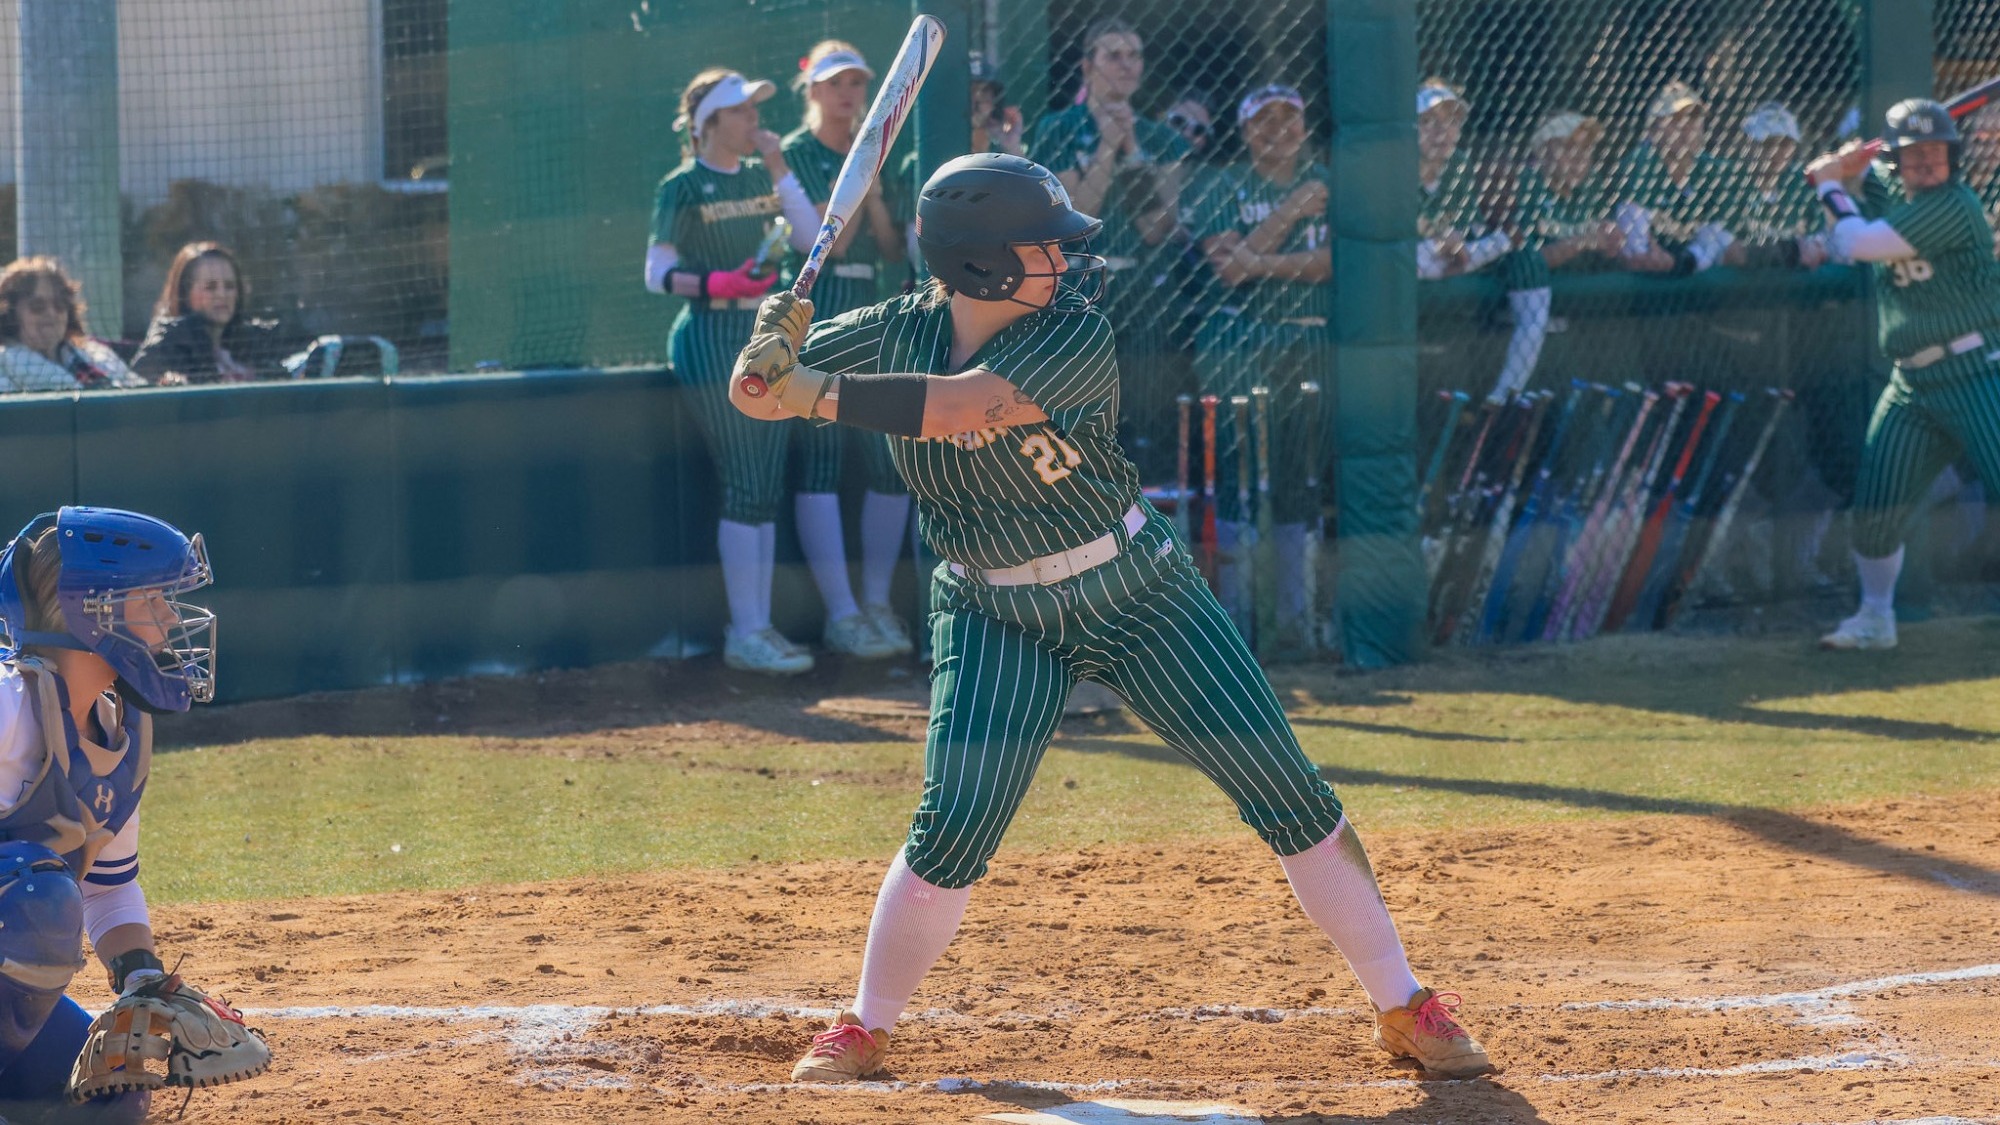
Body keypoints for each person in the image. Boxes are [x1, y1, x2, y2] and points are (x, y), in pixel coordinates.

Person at [727, 152, 1492, 1084]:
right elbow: (755, 397)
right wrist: (771, 343)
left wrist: (802, 385)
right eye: (1042, 243)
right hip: (992, 606)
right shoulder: (896, 330)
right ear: (980, 263)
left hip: (1136, 593)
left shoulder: (1075, 335)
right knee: (955, 821)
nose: (1064, 257)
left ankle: (1403, 1001)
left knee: (1284, 786)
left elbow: (965, 406)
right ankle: (866, 1024)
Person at [0, 506, 267, 1119]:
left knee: (111, 1103)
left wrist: (141, 976)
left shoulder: (119, 737)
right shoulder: (10, 705)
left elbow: (109, 891)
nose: (173, 618)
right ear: (91, 612)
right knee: (34, 896)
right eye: (153, 599)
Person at [643, 67, 821, 674]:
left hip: (764, 335)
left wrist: (778, 166)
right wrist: (718, 281)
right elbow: (656, 273)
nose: (754, 121)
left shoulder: (760, 175)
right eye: (741, 112)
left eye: (754, 111)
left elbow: (809, 237)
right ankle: (747, 632)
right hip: (712, 335)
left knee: (763, 482)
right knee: (746, 479)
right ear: (709, 123)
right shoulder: (683, 186)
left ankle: (757, 629)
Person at [1806, 99, 2000, 650]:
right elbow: (1855, 216)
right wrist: (1850, 171)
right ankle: (1874, 619)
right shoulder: (1897, 191)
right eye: (1914, 154)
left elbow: (1858, 242)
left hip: (1976, 370)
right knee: (1876, 509)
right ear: (1895, 159)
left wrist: (1827, 184)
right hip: (1913, 385)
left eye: (1937, 152)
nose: (1926, 163)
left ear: (1953, 158)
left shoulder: (1954, 205)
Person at [1186, 83, 1332, 652]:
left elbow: (1331, 262)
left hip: (1310, 342)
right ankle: (1237, 619)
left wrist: (1258, 260)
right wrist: (1292, 208)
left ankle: (1294, 621)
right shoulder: (1222, 184)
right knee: (1237, 476)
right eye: (1264, 120)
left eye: (1289, 117)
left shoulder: (1328, 179)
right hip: (1240, 346)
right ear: (1245, 130)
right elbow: (1227, 269)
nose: (1279, 130)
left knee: (1299, 479)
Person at [781, 41, 911, 660]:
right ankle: (841, 614)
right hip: (813, 312)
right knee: (822, 461)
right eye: (835, 84)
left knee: (889, 461)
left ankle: (879, 602)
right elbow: (828, 245)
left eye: (857, 83)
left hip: (871, 317)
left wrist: (876, 189)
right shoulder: (797, 154)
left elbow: (888, 249)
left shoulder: (880, 155)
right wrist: (855, 180)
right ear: (811, 91)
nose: (849, 95)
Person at [1029, 18, 1193, 483]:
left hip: (1145, 289)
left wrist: (1134, 150)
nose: (1126, 65)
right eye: (1113, 55)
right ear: (1087, 66)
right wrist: (1107, 146)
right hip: (1079, 286)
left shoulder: (1164, 138)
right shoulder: (1058, 128)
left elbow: (1155, 227)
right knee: (1080, 411)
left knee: (1144, 409)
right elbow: (1076, 215)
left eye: (1134, 55)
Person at [1414, 81, 1528, 402]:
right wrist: (1446, 243)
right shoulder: (1397, 166)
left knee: (1506, 241)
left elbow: (1459, 237)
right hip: (1405, 266)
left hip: (1447, 261)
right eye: (1428, 122)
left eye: (1450, 122)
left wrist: (1453, 246)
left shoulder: (1460, 164)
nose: (1441, 132)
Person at [129, 243, 283, 385]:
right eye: (210, 287)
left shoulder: (256, 343)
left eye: (229, 286)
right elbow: (141, 383)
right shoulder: (167, 343)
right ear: (185, 293)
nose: (222, 294)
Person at [0, 258, 144, 394]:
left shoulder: (97, 357)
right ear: (10, 314)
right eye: (37, 306)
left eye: (59, 305)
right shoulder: (4, 367)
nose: (51, 313)